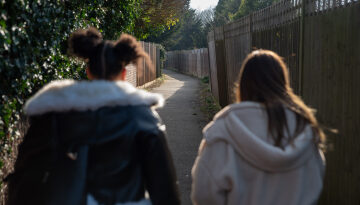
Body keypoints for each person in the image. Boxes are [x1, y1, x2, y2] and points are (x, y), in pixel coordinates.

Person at [6, 27, 180, 205]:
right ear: (124, 73)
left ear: (88, 71)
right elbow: (164, 188)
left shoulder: (53, 114)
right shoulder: (143, 118)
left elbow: (24, 175)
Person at [191, 49, 326, 205]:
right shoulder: (304, 130)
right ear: (283, 83)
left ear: (243, 84)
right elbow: (315, 182)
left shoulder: (224, 131)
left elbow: (203, 195)